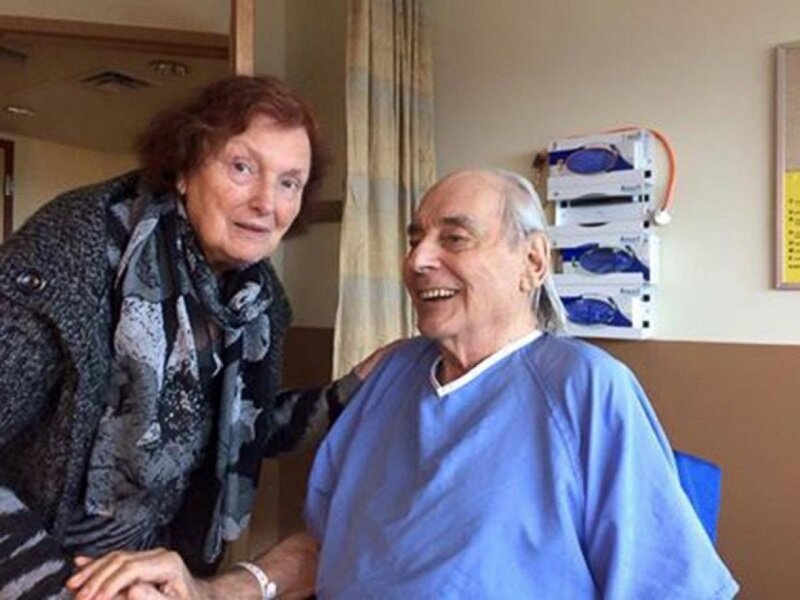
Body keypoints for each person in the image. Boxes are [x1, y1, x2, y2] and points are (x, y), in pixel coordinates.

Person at [68, 169, 739, 599]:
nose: (418, 259)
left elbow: (670, 587)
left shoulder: (587, 390)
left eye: (455, 238)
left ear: (532, 261)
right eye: (416, 237)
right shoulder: (392, 375)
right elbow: (329, 546)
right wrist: (212, 592)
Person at [0, 75, 369, 599]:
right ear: (183, 168)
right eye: (242, 168)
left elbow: (242, 426)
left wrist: (355, 390)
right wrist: (62, 587)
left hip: (147, 572)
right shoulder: (73, 252)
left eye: (290, 182)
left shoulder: (257, 301)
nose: (266, 202)